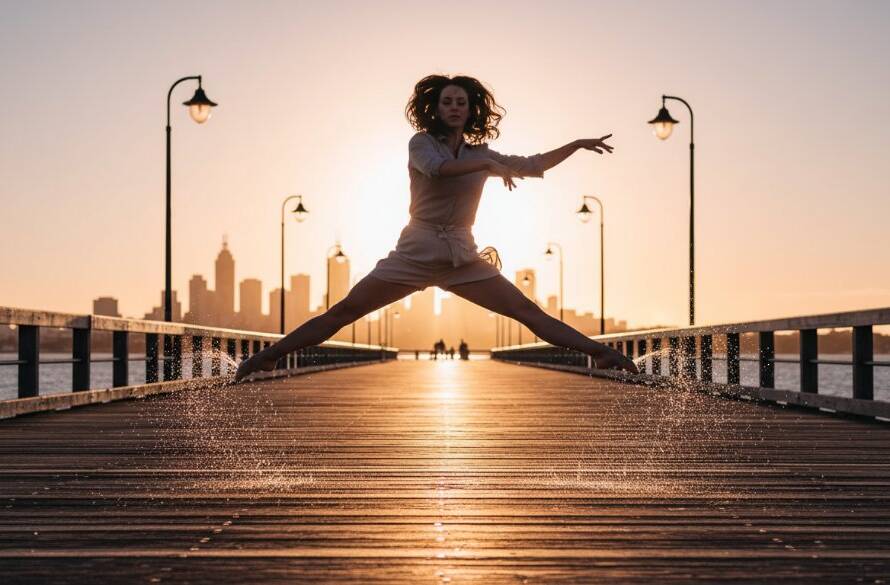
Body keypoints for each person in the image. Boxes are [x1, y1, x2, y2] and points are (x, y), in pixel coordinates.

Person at [235, 74, 638, 382]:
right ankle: (267, 356)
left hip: (462, 255)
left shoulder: (481, 153)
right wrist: (487, 165)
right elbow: (440, 170)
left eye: (461, 102)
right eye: (447, 101)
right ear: (436, 107)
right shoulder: (422, 143)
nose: (455, 107)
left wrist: (576, 145)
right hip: (416, 249)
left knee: (525, 310)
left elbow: (532, 164)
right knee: (348, 309)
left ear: (471, 108)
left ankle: (596, 352)